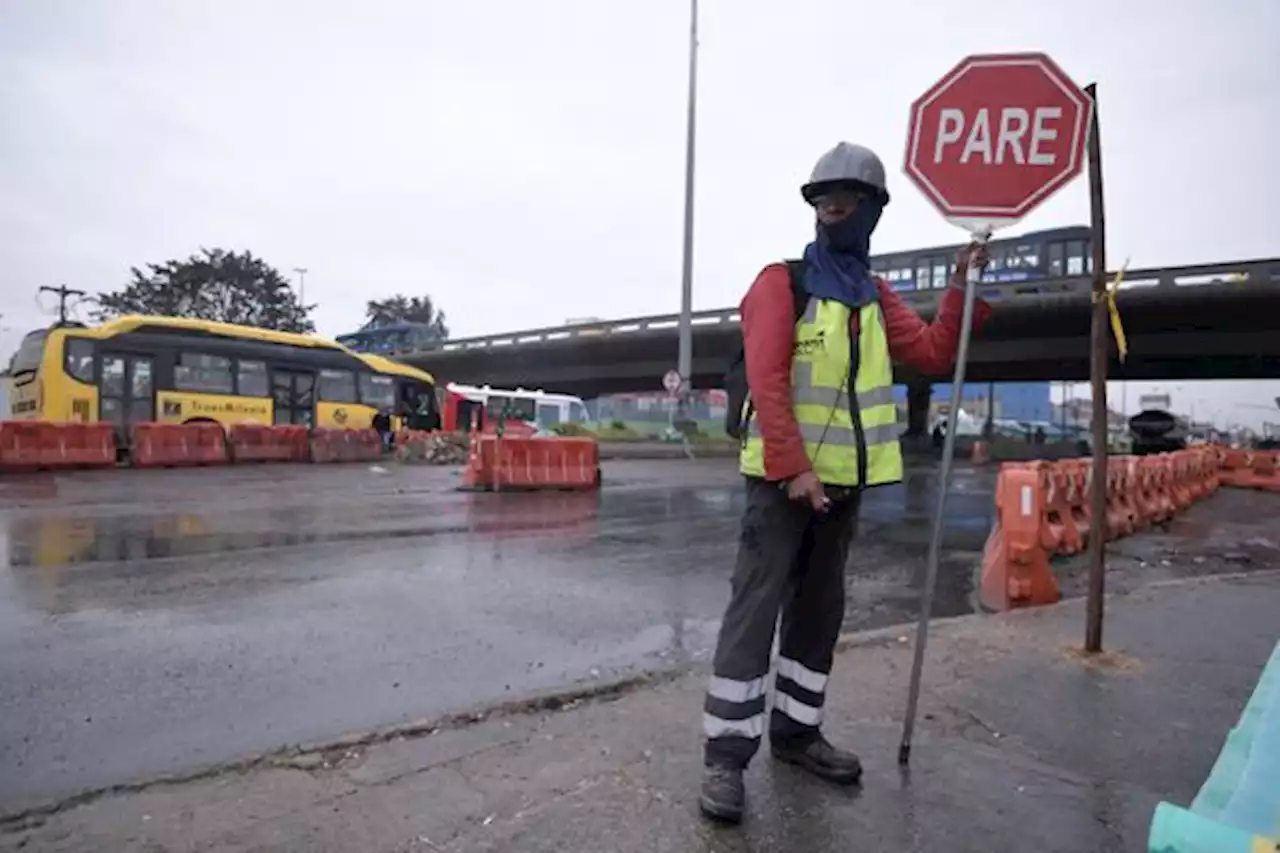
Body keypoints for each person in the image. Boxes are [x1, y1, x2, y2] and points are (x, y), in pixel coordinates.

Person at [699, 141, 992, 824]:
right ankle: (725, 758)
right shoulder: (783, 283)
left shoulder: (872, 294)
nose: (832, 212)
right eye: (822, 201)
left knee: (819, 614)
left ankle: (797, 734)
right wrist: (794, 468)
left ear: (871, 213)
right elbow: (769, 382)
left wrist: (960, 286)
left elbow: (931, 351)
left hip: (842, 492)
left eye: (845, 202)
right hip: (779, 487)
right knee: (754, 613)